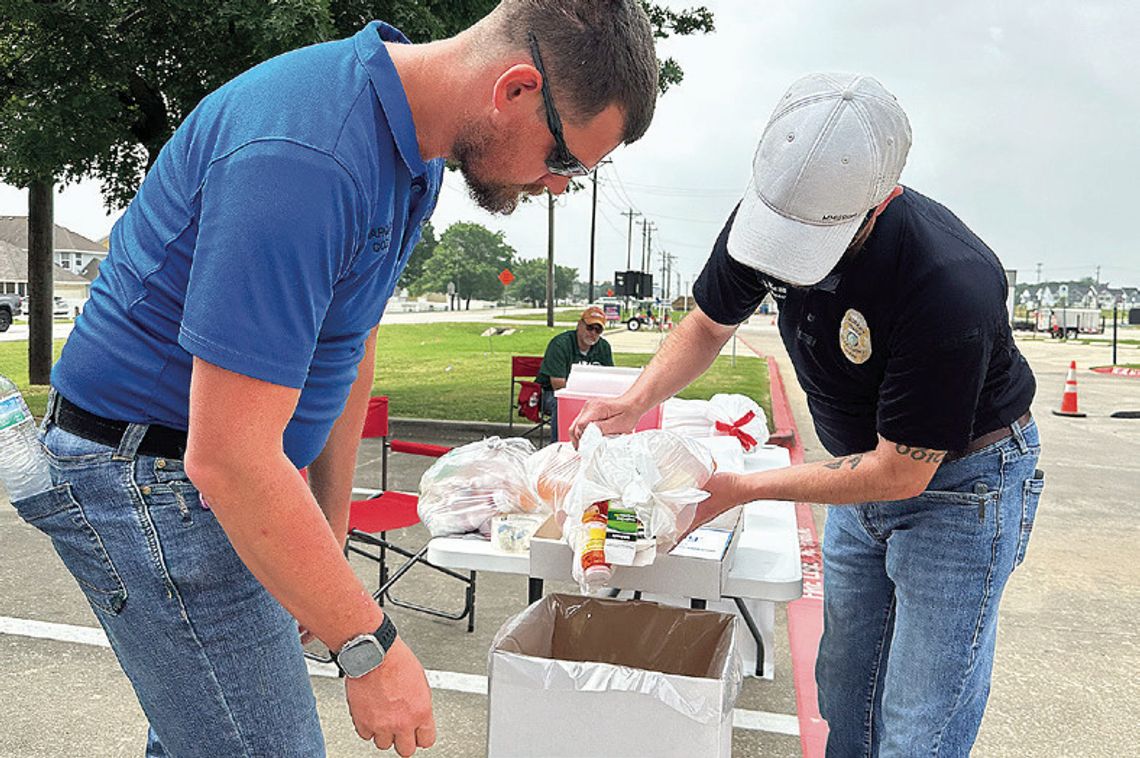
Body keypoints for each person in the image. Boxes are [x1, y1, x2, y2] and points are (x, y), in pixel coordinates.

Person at [14, 3, 658, 756]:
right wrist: (370, 646)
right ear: (516, 90)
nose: (557, 185)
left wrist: (329, 522)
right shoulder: (306, 156)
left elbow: (349, 340)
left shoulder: (412, 147)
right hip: (148, 474)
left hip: (216, 470)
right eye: (567, 160)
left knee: (205, 736)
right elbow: (226, 457)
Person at [571, 73, 1042, 757]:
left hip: (961, 487)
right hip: (861, 478)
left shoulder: (947, 282)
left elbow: (899, 473)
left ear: (881, 197)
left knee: (918, 725)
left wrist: (738, 490)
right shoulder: (773, 213)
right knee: (845, 694)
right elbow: (706, 325)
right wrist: (634, 399)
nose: (790, 269)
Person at [536, 305, 614, 441]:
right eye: (590, 327)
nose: (593, 333)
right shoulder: (560, 344)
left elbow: (609, 380)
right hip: (551, 394)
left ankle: (600, 450)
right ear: (579, 325)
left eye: (598, 329)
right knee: (559, 403)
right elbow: (558, 386)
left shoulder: (604, 347)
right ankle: (559, 447)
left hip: (590, 397)